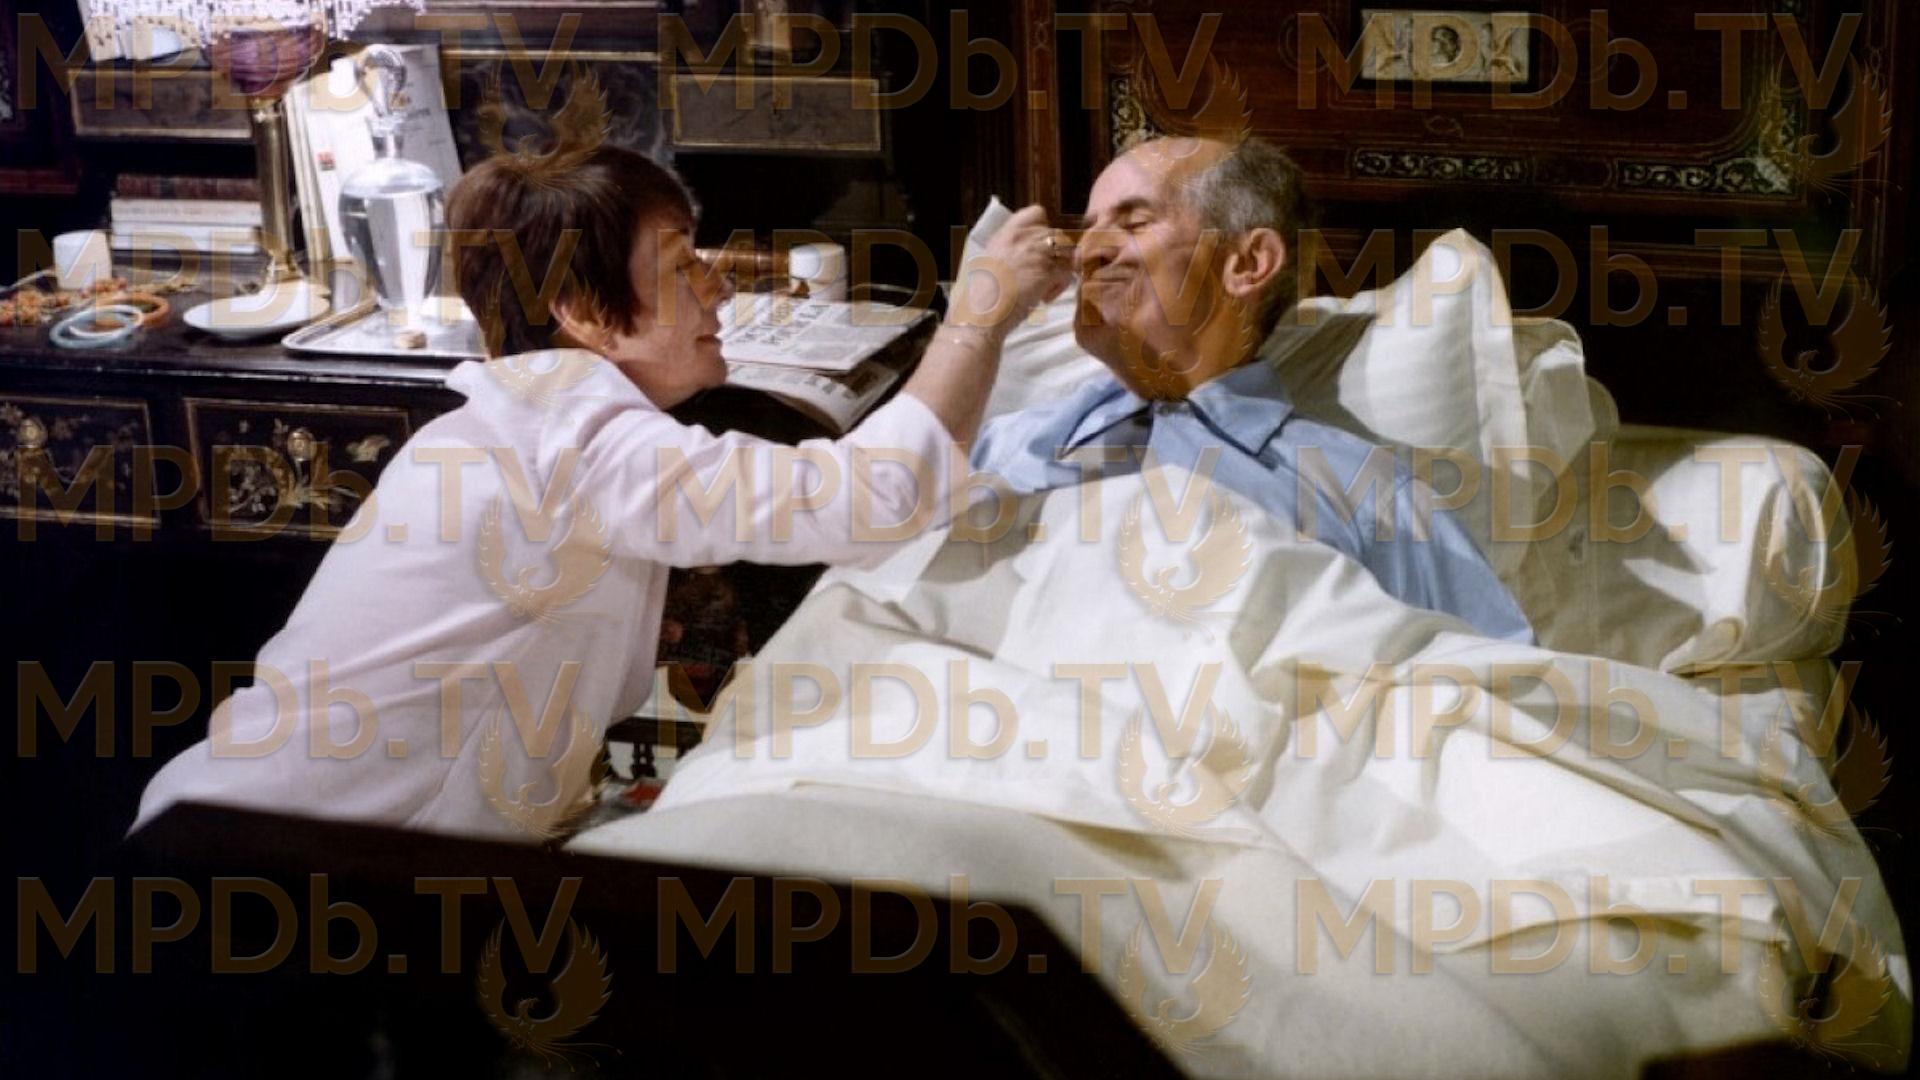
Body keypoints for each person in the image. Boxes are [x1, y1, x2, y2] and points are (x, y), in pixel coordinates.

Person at [134, 123, 1073, 839]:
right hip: (273, 877)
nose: (719, 290)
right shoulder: (574, 439)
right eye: (682, 266)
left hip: (256, 843)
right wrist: (981, 311)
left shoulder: (525, 417)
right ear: (584, 311)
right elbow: (871, 499)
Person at [971, 136, 1533, 643]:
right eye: (1088, 226)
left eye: (1134, 222)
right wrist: (975, 324)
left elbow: (1499, 685)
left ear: (1247, 263)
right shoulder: (1000, 444)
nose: (1085, 252)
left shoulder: (1365, 495)